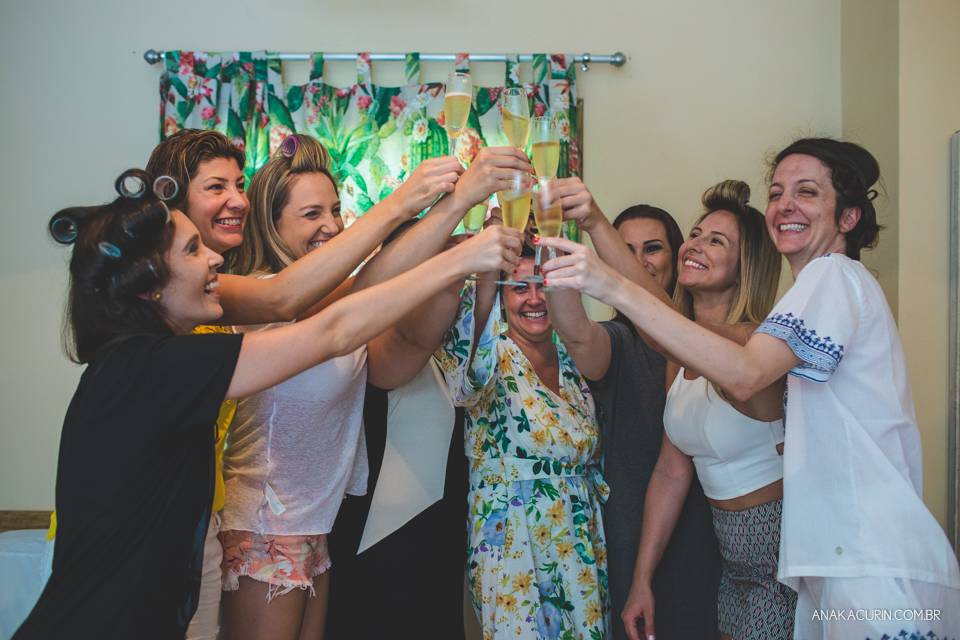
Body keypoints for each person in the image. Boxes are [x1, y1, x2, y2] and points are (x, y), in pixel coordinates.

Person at [13, 169, 519, 640]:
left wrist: (448, 238)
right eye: (192, 250)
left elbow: (349, 305)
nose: (215, 259)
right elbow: (333, 329)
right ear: (150, 287)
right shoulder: (161, 367)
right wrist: (454, 258)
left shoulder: (145, 362)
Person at [539, 138, 960, 640]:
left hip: (865, 555)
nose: (784, 205)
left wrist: (610, 283)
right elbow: (674, 337)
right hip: (831, 554)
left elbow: (741, 371)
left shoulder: (831, 276)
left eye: (807, 192)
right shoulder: (820, 290)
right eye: (777, 192)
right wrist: (593, 228)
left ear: (848, 217)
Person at [143, 129, 463, 638]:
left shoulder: (300, 300)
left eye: (335, 211)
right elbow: (324, 295)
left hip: (310, 524)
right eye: (312, 214)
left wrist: (451, 274)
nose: (331, 226)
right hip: (259, 523)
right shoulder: (252, 296)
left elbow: (394, 354)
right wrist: (438, 213)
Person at [545, 184, 722, 640]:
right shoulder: (619, 341)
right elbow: (578, 336)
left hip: (714, 535)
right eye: (624, 251)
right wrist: (551, 245)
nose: (639, 261)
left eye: (653, 248)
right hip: (633, 536)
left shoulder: (717, 344)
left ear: (678, 257)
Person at [619, 181, 794, 640]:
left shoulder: (759, 345)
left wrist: (594, 228)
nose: (694, 245)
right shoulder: (679, 355)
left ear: (744, 268)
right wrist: (641, 580)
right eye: (695, 234)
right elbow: (670, 472)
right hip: (732, 568)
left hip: (782, 566)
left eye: (716, 241)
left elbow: (664, 328)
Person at [436, 240, 610, 639]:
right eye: (519, 288)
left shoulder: (573, 358)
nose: (535, 299)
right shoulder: (490, 354)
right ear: (500, 295)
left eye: (544, 286)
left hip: (580, 537)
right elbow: (463, 371)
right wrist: (487, 261)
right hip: (514, 538)